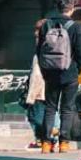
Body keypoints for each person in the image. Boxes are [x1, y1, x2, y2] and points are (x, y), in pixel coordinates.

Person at [37, 0, 81, 154]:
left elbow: (39, 51)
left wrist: (44, 70)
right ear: (72, 6)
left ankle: (45, 142)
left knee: (50, 108)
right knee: (67, 108)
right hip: (69, 73)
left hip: (50, 72)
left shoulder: (46, 24)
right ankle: (63, 143)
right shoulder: (75, 27)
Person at [25, 19, 48, 149]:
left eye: (37, 30)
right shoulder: (55, 45)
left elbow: (36, 74)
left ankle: (42, 139)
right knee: (47, 114)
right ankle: (46, 138)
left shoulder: (40, 49)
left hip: (40, 89)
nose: (35, 33)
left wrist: (31, 95)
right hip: (50, 88)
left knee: (35, 116)